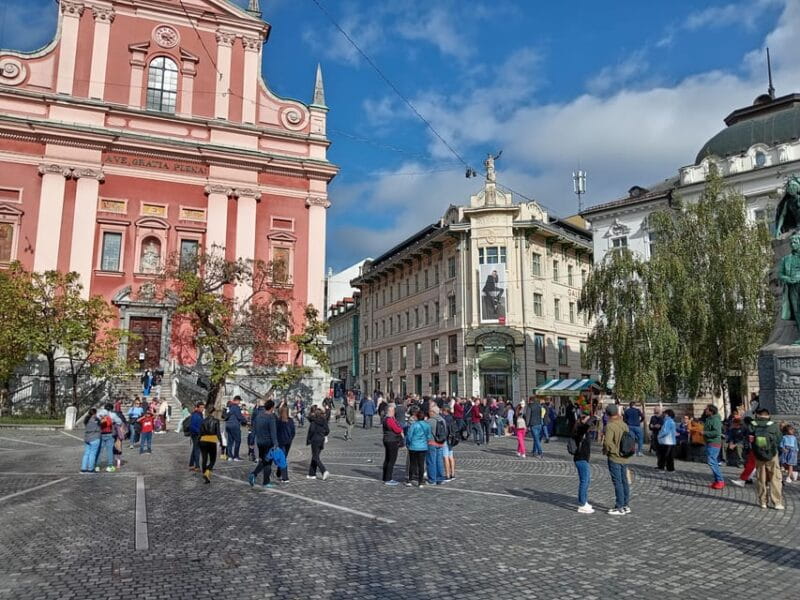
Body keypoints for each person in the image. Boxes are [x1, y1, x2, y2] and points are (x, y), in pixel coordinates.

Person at [751, 408, 784, 509]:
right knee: (775, 478)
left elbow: (748, 438)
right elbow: (779, 439)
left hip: (758, 455)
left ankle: (763, 502)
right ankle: (777, 502)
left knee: (761, 478)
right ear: (768, 415)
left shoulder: (752, 425)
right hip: (772, 454)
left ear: (757, 415)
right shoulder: (773, 425)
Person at [602, 404, 631, 515]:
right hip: (625, 456)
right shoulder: (624, 424)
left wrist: (613, 451)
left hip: (615, 457)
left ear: (608, 414)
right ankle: (626, 505)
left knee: (617, 482)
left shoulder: (610, 426)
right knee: (624, 481)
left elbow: (608, 442)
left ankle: (619, 506)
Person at [248, 399, 279, 488]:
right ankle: (256, 475)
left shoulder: (258, 416)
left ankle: (264, 480)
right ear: (272, 408)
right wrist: (276, 444)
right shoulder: (271, 417)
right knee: (267, 462)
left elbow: (253, 430)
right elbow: (273, 433)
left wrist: (251, 442)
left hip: (259, 442)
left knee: (264, 460)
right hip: (268, 443)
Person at [405, 405, 432, 487]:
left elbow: (409, 436)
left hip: (413, 446)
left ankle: (409, 480)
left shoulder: (414, 425)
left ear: (417, 417)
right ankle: (420, 482)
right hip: (423, 447)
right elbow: (429, 436)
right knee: (421, 464)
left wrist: (408, 443)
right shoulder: (427, 425)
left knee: (412, 464)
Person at [573, 413, 594, 513]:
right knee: (584, 481)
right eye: (586, 419)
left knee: (587, 480)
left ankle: (584, 501)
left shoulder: (583, 430)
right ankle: (582, 504)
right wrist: (591, 418)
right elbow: (585, 427)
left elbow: (587, 427)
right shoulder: (580, 430)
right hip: (580, 458)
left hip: (584, 459)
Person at [702, 404, 724, 489]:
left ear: (711, 411)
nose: (705, 411)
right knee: (712, 461)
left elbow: (717, 432)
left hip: (714, 443)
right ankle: (717, 480)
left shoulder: (715, 420)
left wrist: (705, 433)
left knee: (712, 462)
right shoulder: (709, 419)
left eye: (707, 409)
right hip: (709, 442)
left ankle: (720, 480)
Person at [381, 403, 404, 485]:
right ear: (390, 411)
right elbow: (397, 429)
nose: (394, 412)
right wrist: (400, 428)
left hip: (387, 439)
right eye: (393, 410)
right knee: (391, 460)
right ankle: (388, 479)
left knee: (387, 459)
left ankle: (385, 477)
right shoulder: (389, 419)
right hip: (392, 440)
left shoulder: (385, 418)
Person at [306, 406, 330, 480]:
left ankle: (324, 471)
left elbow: (311, 431)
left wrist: (309, 439)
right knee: (315, 456)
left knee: (315, 457)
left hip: (315, 440)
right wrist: (323, 434)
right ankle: (311, 474)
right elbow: (328, 430)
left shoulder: (314, 422)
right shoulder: (324, 421)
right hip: (321, 440)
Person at [199, 407, 222, 483]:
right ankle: (207, 472)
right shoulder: (216, 421)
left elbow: (201, 432)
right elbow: (218, 433)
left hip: (203, 440)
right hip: (211, 440)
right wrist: (221, 442)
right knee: (212, 459)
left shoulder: (203, 421)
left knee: (204, 459)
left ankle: (205, 474)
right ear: (213, 412)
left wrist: (199, 441)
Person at [96, 403, 121, 472]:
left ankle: (97, 466)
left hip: (101, 433)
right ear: (111, 408)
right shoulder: (112, 415)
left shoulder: (99, 413)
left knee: (100, 450)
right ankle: (110, 466)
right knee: (110, 450)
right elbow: (119, 422)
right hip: (109, 433)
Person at [426, 404, 447, 485]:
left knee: (431, 461)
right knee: (439, 461)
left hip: (432, 443)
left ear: (433, 412)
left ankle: (432, 479)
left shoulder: (429, 421)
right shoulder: (442, 420)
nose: (429, 412)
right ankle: (440, 478)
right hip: (441, 443)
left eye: (430, 411)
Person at [276, 404, 296, 483]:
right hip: (288, 442)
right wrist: (290, 439)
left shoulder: (279, 421)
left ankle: (285, 477)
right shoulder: (290, 420)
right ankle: (279, 471)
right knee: (283, 457)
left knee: (282, 459)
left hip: (281, 442)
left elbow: (276, 432)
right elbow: (293, 432)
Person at [223, 395, 247, 461]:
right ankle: (236, 456)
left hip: (228, 425)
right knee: (238, 440)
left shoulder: (229, 406)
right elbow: (239, 416)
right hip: (234, 425)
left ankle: (230, 456)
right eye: (239, 401)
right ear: (237, 400)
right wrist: (245, 421)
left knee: (230, 441)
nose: (239, 403)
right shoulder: (235, 407)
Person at [80, 409, 101, 473]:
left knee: (86, 454)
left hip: (87, 438)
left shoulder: (86, 420)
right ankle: (90, 468)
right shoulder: (95, 420)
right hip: (94, 438)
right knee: (92, 454)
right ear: (94, 414)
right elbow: (100, 425)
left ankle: (83, 468)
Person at [188, 402, 205, 472]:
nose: (202, 409)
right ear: (197, 408)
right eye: (201, 407)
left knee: (195, 449)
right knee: (197, 450)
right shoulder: (195, 415)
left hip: (198, 434)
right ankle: (197, 466)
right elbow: (192, 426)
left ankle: (191, 464)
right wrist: (199, 431)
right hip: (195, 434)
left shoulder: (200, 414)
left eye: (203, 407)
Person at [442, 405, 456, 481]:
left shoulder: (445, 419)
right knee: (451, 456)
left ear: (445, 411)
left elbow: (445, 430)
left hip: (446, 439)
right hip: (451, 439)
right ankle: (453, 473)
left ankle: (447, 475)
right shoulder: (452, 418)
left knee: (445, 457)